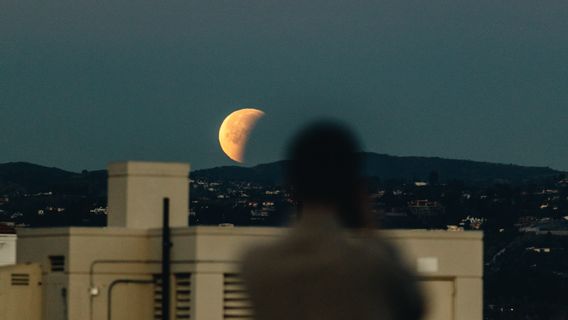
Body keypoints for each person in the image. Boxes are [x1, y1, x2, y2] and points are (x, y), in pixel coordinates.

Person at [241, 120, 425, 320]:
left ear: (292, 183)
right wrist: (370, 226)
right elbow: (413, 307)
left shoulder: (257, 265)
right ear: (352, 187)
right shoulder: (372, 264)